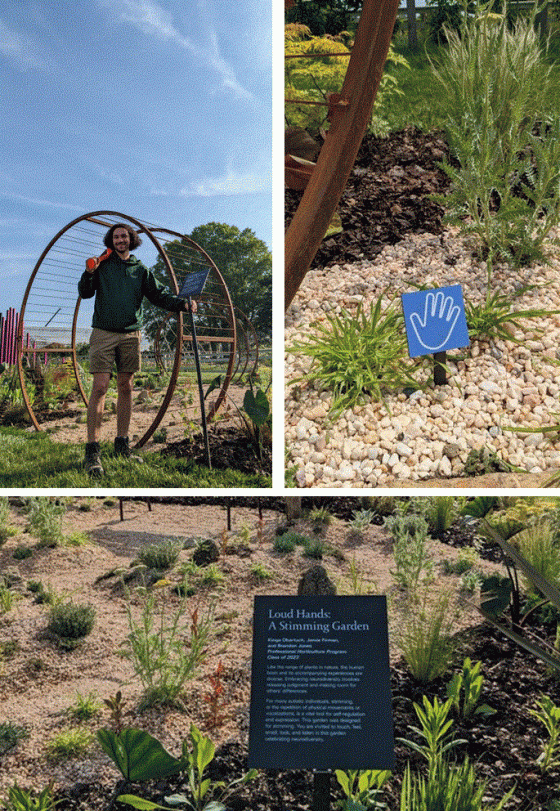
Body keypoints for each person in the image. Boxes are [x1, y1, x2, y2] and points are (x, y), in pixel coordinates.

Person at [78, 222, 197, 477]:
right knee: (99, 388)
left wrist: (182, 305)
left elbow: (158, 295)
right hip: (103, 332)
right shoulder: (102, 266)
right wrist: (89, 273)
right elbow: (85, 294)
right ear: (111, 242)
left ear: (131, 240)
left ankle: (122, 444)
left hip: (131, 334)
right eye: (116, 237)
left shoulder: (140, 269)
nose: (120, 240)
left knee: (126, 387)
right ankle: (92, 452)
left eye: (124, 236)